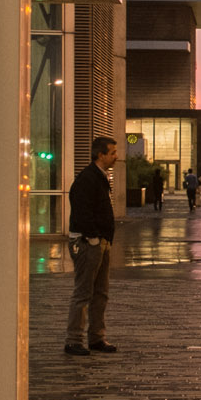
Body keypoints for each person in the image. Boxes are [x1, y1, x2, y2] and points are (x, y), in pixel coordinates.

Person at [64, 136, 119, 356]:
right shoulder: (87, 178)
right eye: (112, 153)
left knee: (101, 293)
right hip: (88, 243)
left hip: (101, 242)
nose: (116, 157)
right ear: (101, 155)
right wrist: (94, 237)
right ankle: (74, 340)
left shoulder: (100, 177)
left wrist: (105, 239)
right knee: (84, 293)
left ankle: (97, 337)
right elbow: (81, 210)